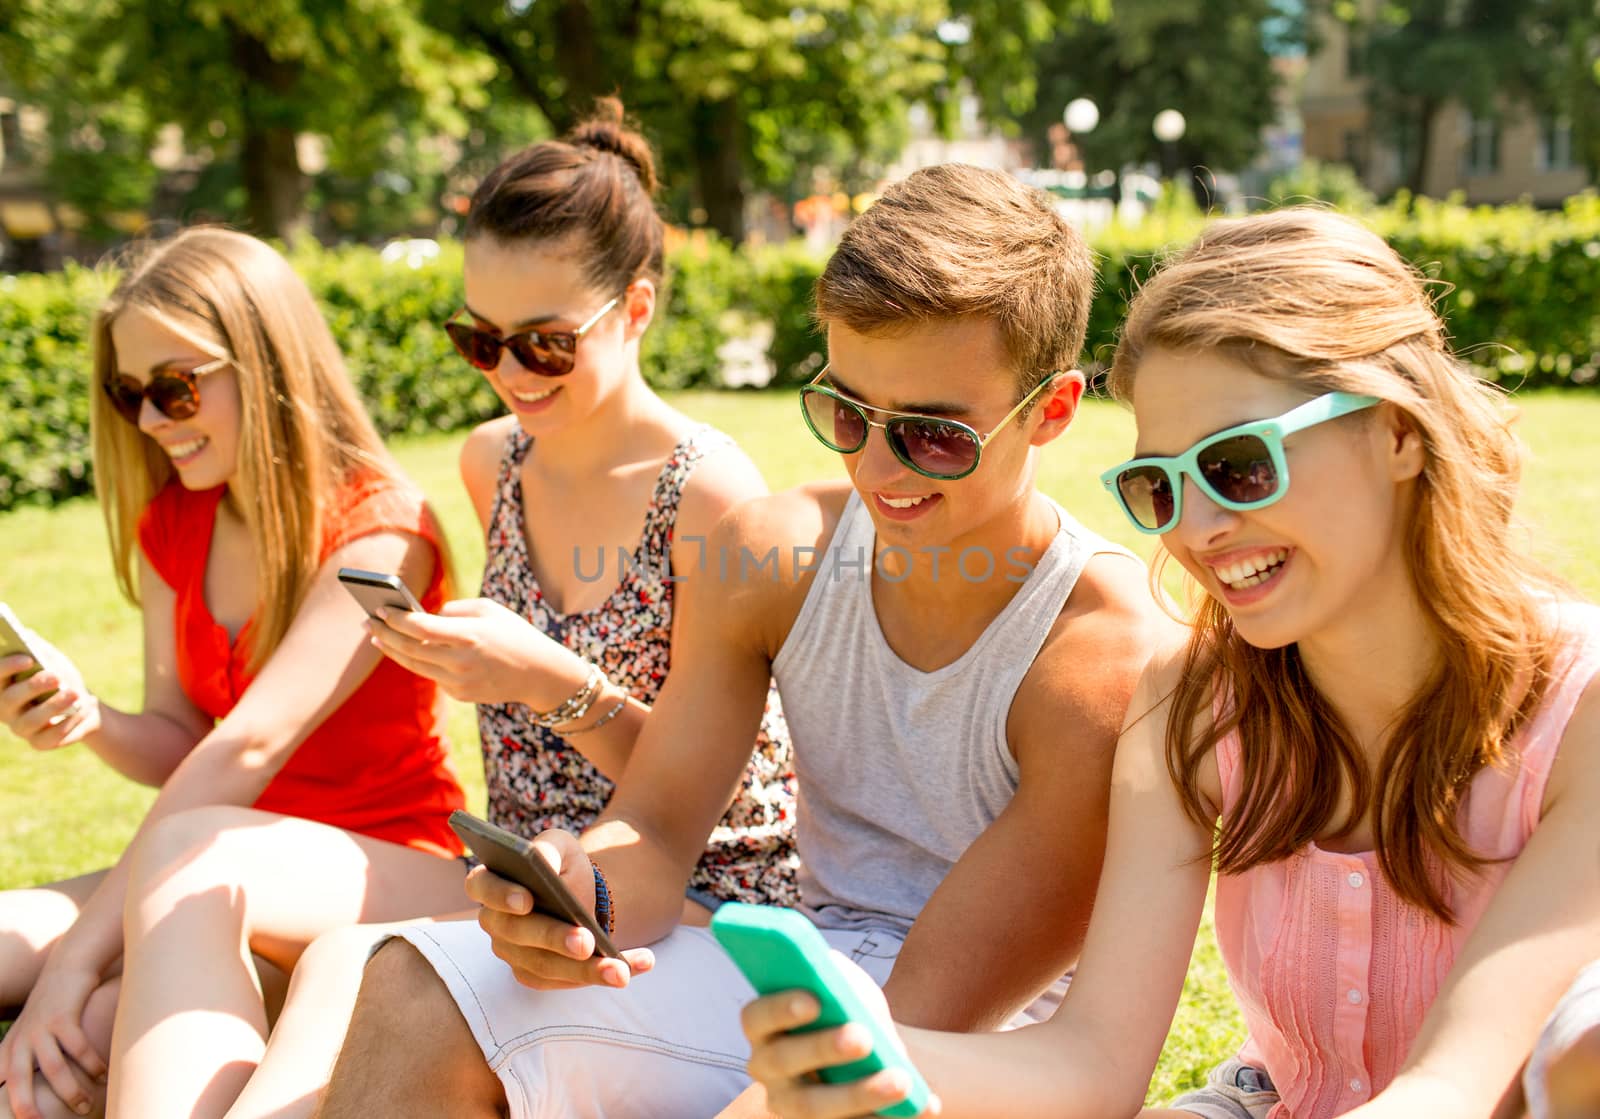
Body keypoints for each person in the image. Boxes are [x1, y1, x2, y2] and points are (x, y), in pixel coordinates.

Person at [310, 160, 1172, 1119]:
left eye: (933, 436)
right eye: (846, 412)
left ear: (1050, 410)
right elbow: (659, 823)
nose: (876, 467)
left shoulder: (1099, 651)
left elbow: (935, 1008)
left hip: (969, 1056)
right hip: (796, 968)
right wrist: (579, 899)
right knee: (417, 982)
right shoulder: (774, 551)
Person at [738, 207, 1600, 1119]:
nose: (1196, 529)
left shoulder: (1574, 710)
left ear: (1396, 431)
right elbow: (1093, 1066)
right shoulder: (1190, 710)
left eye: (1237, 466)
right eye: (1160, 484)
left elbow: (1452, 1089)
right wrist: (877, 1053)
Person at [213, 101, 797, 1119]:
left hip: (693, 907)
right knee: (310, 961)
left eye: (545, 344)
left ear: (638, 309)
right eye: (478, 339)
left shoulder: (713, 493)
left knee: (351, 978)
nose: (508, 373)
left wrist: (549, 682)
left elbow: (725, 803)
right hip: (516, 889)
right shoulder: (496, 463)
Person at [0, 228, 470, 1119]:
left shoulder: (381, 533)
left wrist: (75, 961)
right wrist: (86, 716)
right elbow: (184, 737)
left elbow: (250, 744)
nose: (148, 421)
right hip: (215, 856)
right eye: (128, 392)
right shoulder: (179, 523)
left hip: (379, 858)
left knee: (89, 1022)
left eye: (173, 388)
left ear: (265, 363)